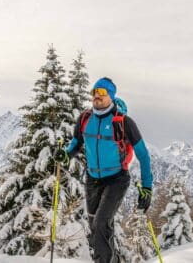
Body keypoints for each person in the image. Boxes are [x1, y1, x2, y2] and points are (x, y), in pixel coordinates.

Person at [56, 77, 153, 263]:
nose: (96, 96)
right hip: (92, 178)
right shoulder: (85, 119)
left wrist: (147, 187)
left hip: (117, 178)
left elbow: (143, 155)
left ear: (111, 96)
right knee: (96, 225)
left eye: (101, 93)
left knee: (101, 224)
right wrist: (66, 154)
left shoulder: (124, 122)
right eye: (94, 92)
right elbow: (76, 143)